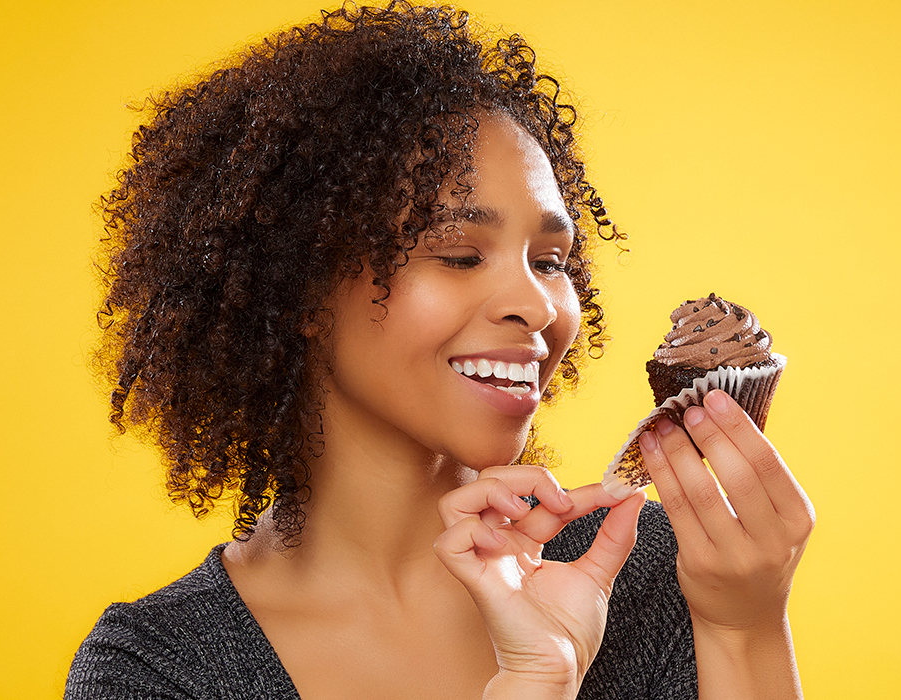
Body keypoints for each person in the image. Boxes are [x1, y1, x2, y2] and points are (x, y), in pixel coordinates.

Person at [69, 3, 813, 698]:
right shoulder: (159, 665)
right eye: (459, 255)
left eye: (550, 262)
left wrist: (741, 628)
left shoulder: (655, 577)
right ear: (301, 289)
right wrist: (533, 684)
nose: (537, 304)